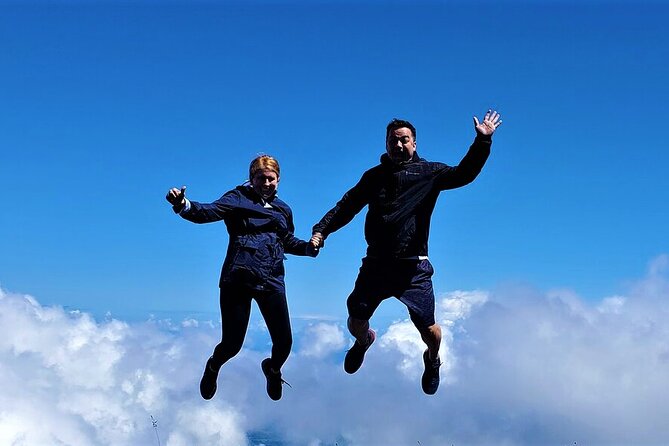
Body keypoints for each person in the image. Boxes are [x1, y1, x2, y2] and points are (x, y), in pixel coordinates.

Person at [310, 111, 501, 395]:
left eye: (404, 140)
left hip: (413, 268)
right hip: (375, 264)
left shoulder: (429, 173)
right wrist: (321, 230)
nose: (399, 145)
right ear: (386, 144)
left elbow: (464, 174)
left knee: (430, 331)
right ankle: (363, 342)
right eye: (393, 140)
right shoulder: (373, 177)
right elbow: (347, 205)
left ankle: (432, 359)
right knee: (356, 319)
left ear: (414, 143)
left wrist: (482, 141)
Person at [166, 155, 318, 401]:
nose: (266, 183)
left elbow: (286, 240)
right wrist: (183, 205)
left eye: (271, 179)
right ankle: (213, 366)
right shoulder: (237, 198)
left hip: (272, 280)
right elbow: (207, 212)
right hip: (238, 279)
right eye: (261, 179)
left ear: (279, 180)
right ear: (251, 179)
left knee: (284, 343)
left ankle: (272, 368)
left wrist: (307, 248)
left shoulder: (283, 210)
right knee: (232, 344)